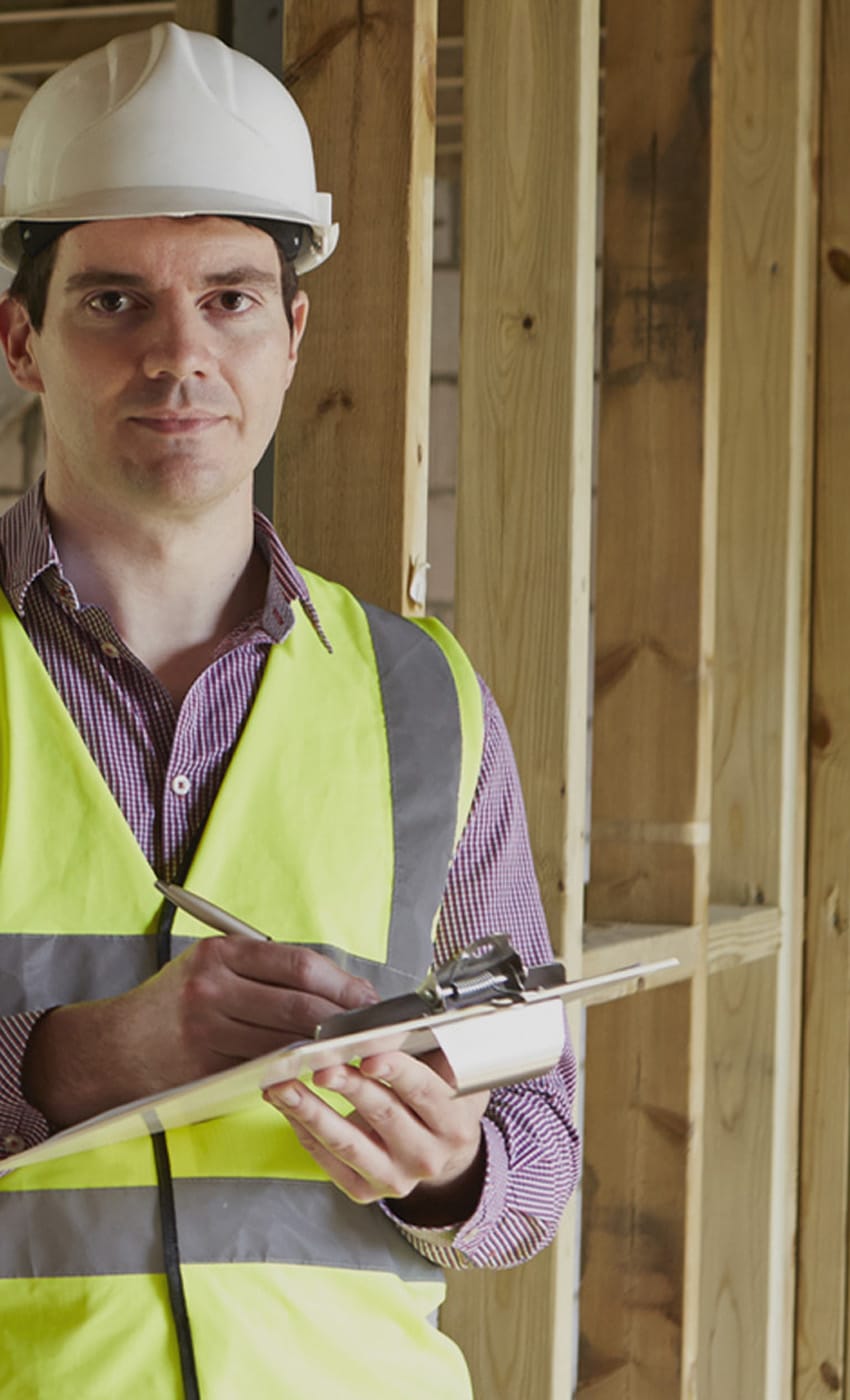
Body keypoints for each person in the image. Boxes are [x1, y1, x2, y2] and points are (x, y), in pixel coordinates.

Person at [0, 22, 580, 1400]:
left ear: (292, 333)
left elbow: (538, 1129)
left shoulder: (423, 698)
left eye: (232, 299)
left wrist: (454, 1166)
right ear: (21, 341)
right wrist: (83, 1058)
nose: (181, 356)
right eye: (116, 301)